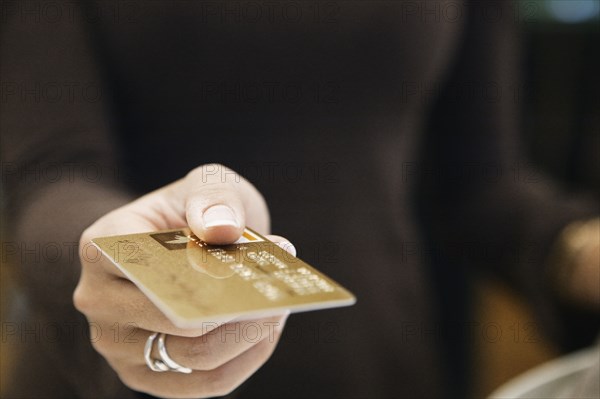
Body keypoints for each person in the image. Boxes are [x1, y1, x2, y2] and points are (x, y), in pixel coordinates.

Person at [1, 1, 598, 398]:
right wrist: (126, 250)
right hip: (125, 364)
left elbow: (481, 185)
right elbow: (51, 170)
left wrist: (577, 250)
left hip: (375, 365)